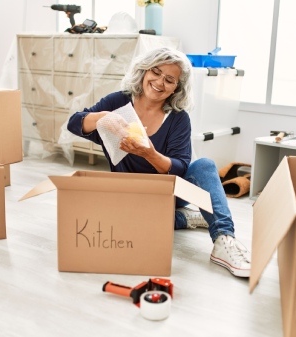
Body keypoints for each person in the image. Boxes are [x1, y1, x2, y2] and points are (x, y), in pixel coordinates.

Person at [67, 47, 251, 277]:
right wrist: (104, 117)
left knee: (204, 165)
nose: (159, 82)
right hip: (134, 198)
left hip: (171, 192)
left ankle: (224, 239)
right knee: (118, 220)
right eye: (155, 72)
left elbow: (181, 168)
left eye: (170, 79)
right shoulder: (119, 102)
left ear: (177, 88)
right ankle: (186, 217)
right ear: (144, 71)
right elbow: (74, 123)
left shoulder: (178, 118)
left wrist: (149, 154)